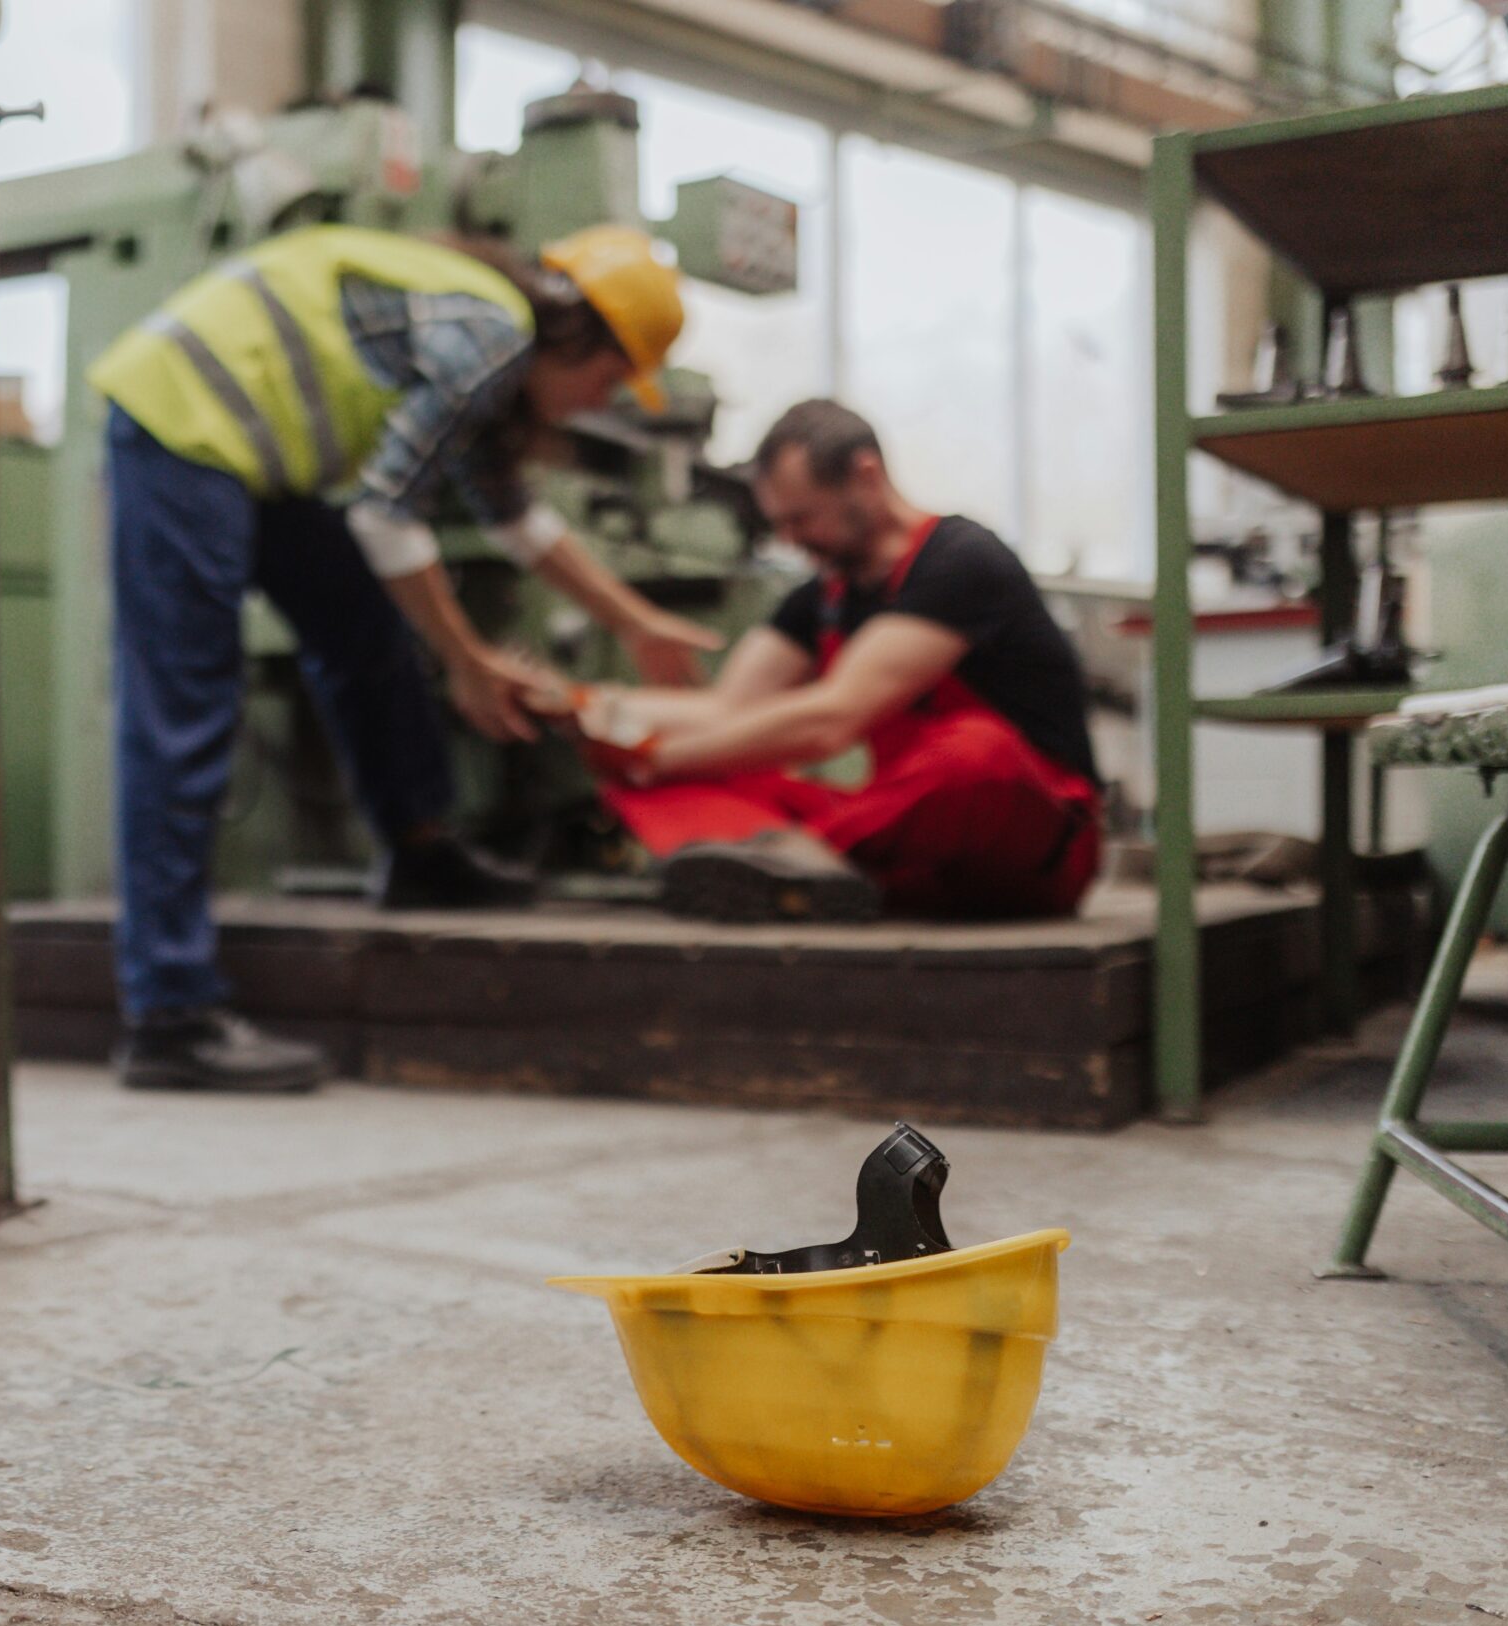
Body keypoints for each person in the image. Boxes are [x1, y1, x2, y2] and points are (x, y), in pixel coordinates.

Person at [87, 223, 716, 1092]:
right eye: (608, 380)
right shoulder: (492, 341)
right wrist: (464, 659)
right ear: (580, 337)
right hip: (178, 425)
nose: (590, 405)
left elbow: (515, 520)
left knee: (366, 630)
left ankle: (420, 851)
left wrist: (637, 620)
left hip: (246, 454)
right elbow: (386, 516)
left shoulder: (490, 342)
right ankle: (168, 1012)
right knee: (186, 708)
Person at [559, 398, 1101, 923]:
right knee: (696, 777)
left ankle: (794, 861)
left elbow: (831, 721)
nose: (793, 541)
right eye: (782, 526)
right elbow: (727, 710)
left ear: (865, 476)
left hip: (1031, 849)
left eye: (803, 518)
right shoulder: (821, 596)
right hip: (909, 848)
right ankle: (807, 872)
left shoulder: (961, 561)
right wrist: (588, 707)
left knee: (976, 753)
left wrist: (654, 756)